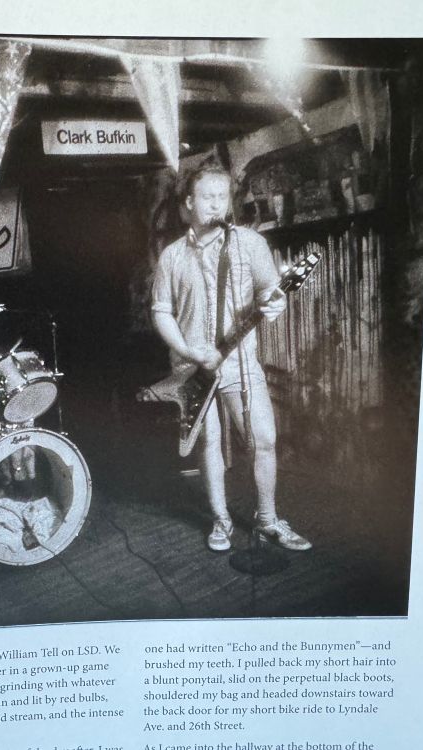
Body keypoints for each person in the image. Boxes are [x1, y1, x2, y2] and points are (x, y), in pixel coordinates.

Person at [150, 166, 311, 552]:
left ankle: (269, 518)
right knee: (209, 443)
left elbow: (272, 293)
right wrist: (189, 351)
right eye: (207, 197)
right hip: (192, 368)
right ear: (188, 204)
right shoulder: (171, 257)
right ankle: (221, 519)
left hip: (240, 363)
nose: (216, 204)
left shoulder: (250, 244)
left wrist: (275, 305)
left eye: (222, 196)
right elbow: (160, 311)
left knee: (264, 441)